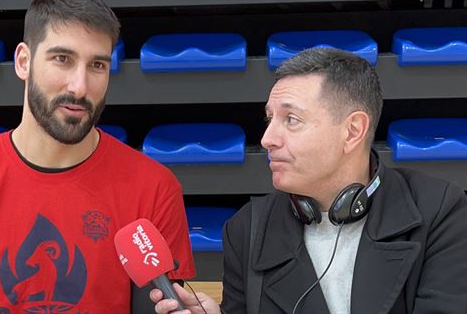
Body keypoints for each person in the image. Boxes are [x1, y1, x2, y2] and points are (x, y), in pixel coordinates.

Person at [0, 0, 195, 314]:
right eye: (62, 59)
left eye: (97, 65)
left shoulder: (154, 190)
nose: (80, 86)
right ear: (24, 61)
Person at [151, 47, 467, 314]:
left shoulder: (439, 211)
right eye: (269, 118)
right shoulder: (247, 230)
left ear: (352, 131)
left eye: (291, 119)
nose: (267, 139)